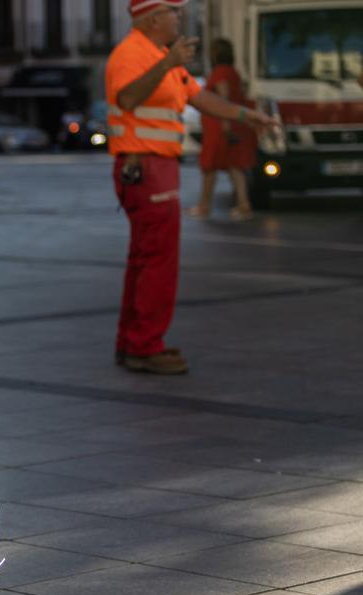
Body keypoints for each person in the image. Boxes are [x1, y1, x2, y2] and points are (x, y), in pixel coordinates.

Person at [106, 0, 276, 375]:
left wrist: (248, 116)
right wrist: (166, 64)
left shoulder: (159, 55)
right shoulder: (132, 54)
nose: (180, 18)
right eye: (174, 12)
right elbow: (127, 98)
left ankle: (133, 341)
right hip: (144, 166)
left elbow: (200, 98)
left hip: (155, 167)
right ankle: (145, 346)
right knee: (158, 261)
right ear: (152, 18)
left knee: (145, 258)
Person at [188, 38, 257, 220]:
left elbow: (223, 97)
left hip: (219, 127)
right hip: (232, 125)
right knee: (235, 166)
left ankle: (204, 205)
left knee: (209, 166)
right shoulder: (233, 72)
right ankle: (243, 205)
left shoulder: (219, 73)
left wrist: (226, 123)